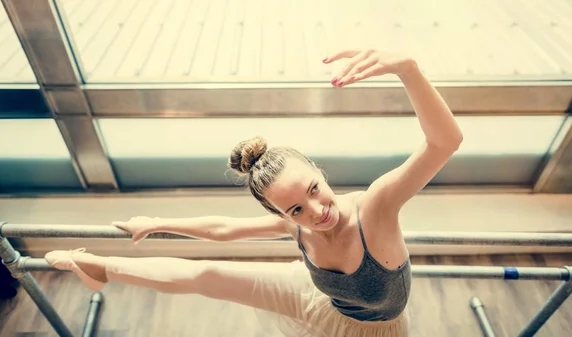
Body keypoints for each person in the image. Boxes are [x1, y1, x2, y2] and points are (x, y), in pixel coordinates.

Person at [44, 47, 463, 337]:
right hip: (315, 300)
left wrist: (408, 68)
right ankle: (100, 267)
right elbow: (224, 229)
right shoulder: (295, 229)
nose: (317, 212)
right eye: (296, 209)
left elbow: (444, 142)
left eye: (315, 190)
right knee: (206, 275)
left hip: (376, 332)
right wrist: (156, 223)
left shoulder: (376, 207)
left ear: (319, 170)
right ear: (282, 213)